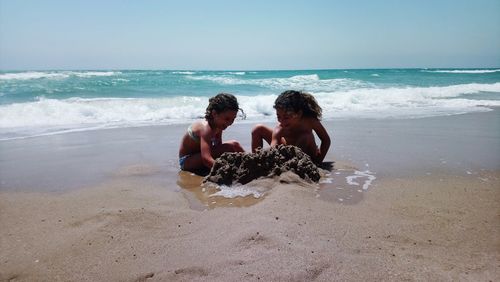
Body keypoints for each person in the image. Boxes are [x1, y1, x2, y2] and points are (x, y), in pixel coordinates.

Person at [251, 90, 331, 164]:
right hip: (287, 153)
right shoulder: (279, 129)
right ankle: (256, 163)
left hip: (307, 155)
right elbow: (273, 148)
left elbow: (326, 140)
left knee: (305, 136)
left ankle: (298, 164)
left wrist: (319, 160)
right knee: (258, 129)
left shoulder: (310, 121)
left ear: (299, 114)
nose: (282, 121)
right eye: (278, 116)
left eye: (286, 117)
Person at [179, 93, 245, 172]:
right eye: (227, 119)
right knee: (231, 146)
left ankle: (251, 161)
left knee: (235, 145)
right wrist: (225, 170)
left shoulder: (218, 125)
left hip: (199, 155)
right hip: (187, 161)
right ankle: (248, 164)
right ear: (214, 114)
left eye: (233, 119)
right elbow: (206, 159)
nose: (230, 123)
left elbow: (218, 146)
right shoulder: (205, 129)